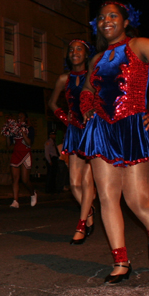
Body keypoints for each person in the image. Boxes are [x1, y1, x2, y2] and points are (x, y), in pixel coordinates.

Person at [79, 1, 149, 283]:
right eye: (101, 18)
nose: (106, 21)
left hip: (134, 128)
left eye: (113, 15)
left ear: (126, 21)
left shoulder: (141, 46)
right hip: (102, 130)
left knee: (136, 200)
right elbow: (88, 89)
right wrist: (87, 106)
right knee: (106, 197)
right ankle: (120, 261)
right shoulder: (96, 59)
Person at [49, 38, 96, 243]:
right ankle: (90, 211)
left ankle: (81, 224)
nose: (75, 52)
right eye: (71, 50)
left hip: (93, 131)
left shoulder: (95, 76)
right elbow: (51, 103)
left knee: (86, 181)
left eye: (79, 49)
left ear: (86, 54)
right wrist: (63, 118)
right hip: (74, 131)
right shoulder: (63, 78)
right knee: (73, 182)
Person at [5, 112, 38, 208]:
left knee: (25, 180)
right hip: (16, 153)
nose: (19, 118)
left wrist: (22, 131)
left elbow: (29, 143)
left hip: (26, 153)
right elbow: (8, 145)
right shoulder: (14, 129)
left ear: (26, 118)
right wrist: (7, 134)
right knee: (15, 179)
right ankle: (15, 201)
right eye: (18, 116)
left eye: (21, 116)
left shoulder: (29, 129)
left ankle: (33, 193)